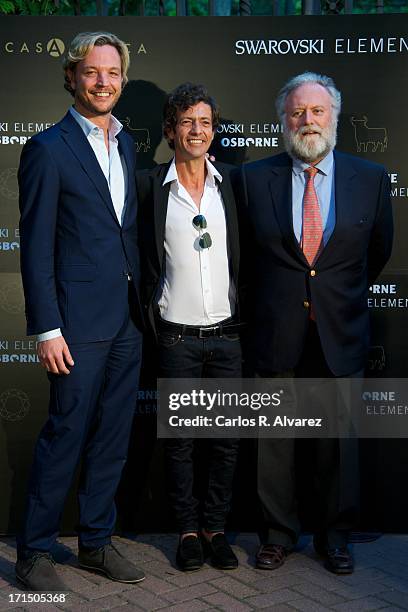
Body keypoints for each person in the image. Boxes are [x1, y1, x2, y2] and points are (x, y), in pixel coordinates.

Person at [233, 72, 393, 574]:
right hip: (274, 331)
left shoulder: (369, 179)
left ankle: (335, 538)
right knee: (273, 446)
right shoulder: (252, 179)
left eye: (317, 111)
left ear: (334, 118)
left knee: (337, 447)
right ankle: (277, 535)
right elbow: (243, 256)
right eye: (297, 111)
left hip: (340, 331)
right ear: (283, 119)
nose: (307, 120)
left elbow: (378, 252)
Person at [16, 32, 144, 591]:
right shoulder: (47, 148)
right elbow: (35, 245)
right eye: (92, 72)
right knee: (64, 436)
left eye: (112, 73)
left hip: (126, 322)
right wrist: (47, 327)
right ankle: (34, 553)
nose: (103, 82)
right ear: (72, 77)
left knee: (112, 438)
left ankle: (95, 542)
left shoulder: (129, 143)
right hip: (74, 325)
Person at [137, 83, 242, 572]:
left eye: (204, 122)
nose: (196, 131)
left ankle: (216, 528)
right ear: (170, 130)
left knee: (223, 441)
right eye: (186, 121)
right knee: (179, 442)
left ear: (214, 130)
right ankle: (186, 530)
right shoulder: (150, 188)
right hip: (175, 337)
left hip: (227, 336)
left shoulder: (233, 186)